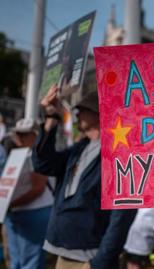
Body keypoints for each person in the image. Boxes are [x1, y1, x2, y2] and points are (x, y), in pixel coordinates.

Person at [32, 84, 137, 269]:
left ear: (99, 112)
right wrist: (51, 117)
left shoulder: (118, 154)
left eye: (83, 109)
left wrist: (100, 262)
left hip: (90, 258)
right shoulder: (80, 148)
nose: (77, 113)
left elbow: (121, 216)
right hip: (64, 251)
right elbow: (43, 164)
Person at [4, 118, 53, 269]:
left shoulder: (37, 155)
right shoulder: (19, 155)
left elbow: (38, 189)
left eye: (24, 134)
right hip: (16, 213)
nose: (19, 137)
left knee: (30, 260)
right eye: (18, 134)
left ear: (35, 135)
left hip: (33, 213)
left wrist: (10, 204)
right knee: (17, 259)